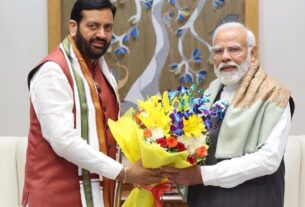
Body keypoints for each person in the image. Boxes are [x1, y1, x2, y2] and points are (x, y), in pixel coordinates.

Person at [22, 0, 161, 206]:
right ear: (73, 27)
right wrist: (123, 173)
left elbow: (108, 137)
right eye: (93, 26)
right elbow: (63, 141)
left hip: (97, 194)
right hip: (55, 197)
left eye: (108, 27)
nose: (102, 35)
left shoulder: (102, 72)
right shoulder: (52, 72)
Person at [161, 22, 294, 207]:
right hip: (205, 199)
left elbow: (269, 159)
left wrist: (204, 175)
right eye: (218, 51)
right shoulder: (208, 96)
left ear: (252, 54)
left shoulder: (275, 96)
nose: (225, 57)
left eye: (234, 49)